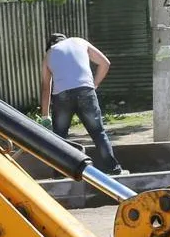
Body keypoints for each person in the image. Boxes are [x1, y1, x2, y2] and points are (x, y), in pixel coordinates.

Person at [39, 32, 123, 174]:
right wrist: (94, 84)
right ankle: (114, 169)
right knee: (98, 133)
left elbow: (46, 87)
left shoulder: (49, 54)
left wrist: (45, 115)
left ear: (51, 45)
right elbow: (105, 63)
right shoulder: (79, 41)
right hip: (85, 91)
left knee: (60, 137)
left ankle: (59, 173)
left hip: (62, 96)